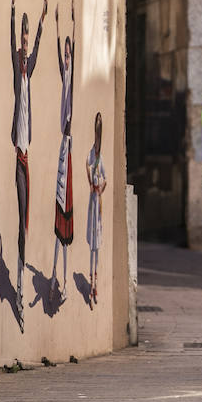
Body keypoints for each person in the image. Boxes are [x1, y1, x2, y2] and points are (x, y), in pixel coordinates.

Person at [10, 0, 47, 307]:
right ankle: (18, 272)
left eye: (25, 38)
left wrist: (42, 19)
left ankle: (21, 274)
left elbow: (37, 44)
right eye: (21, 39)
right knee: (19, 213)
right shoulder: (16, 62)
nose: (23, 43)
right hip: (16, 152)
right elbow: (13, 40)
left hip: (27, 150)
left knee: (26, 215)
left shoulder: (29, 66)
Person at [51, 0, 76, 298]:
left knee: (66, 213)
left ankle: (64, 277)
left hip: (67, 147)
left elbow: (75, 49)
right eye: (66, 53)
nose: (68, 57)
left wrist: (72, 21)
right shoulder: (63, 70)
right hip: (62, 146)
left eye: (70, 53)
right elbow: (59, 53)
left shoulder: (72, 74)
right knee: (59, 212)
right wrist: (59, 26)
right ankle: (59, 275)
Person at [86, 112, 107, 305]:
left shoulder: (100, 157)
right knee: (92, 243)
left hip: (98, 202)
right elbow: (88, 172)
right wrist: (95, 184)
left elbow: (105, 178)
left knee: (98, 245)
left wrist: (101, 186)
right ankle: (91, 281)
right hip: (93, 202)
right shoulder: (91, 156)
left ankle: (96, 282)